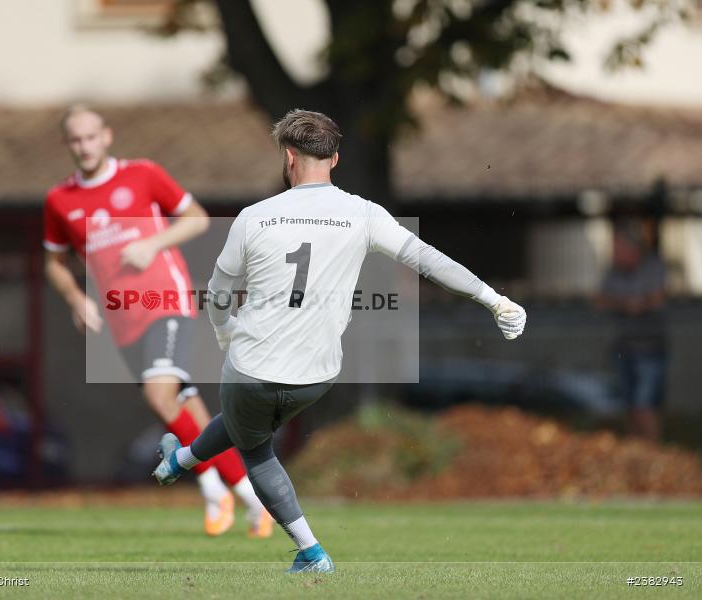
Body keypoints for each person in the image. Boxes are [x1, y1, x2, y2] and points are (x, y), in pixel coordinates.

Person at [153, 109, 526, 572]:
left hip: (251, 367)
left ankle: (311, 553)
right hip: (318, 376)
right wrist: (495, 300)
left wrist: (225, 332)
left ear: (289, 157)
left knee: (254, 446)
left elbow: (219, 295)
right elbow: (429, 261)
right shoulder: (363, 214)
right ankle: (181, 460)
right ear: (335, 158)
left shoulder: (254, 217)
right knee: (245, 421)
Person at [44, 105, 271, 537]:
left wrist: (153, 244)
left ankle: (209, 488)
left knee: (159, 396)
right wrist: (75, 297)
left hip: (166, 300)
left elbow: (197, 218)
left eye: (91, 137)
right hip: (121, 319)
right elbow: (52, 263)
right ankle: (251, 498)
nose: (85, 146)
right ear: (66, 145)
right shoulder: (60, 200)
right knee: (185, 410)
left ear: (106, 136)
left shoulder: (142, 175)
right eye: (76, 140)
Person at [595, 219, 668, 440]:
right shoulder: (613, 271)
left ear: (631, 248)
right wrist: (628, 305)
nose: (614, 253)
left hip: (650, 349)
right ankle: (636, 453)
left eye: (618, 248)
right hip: (623, 347)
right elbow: (599, 301)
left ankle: (653, 454)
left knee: (645, 405)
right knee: (629, 405)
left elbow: (656, 299)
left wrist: (632, 304)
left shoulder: (653, 266)